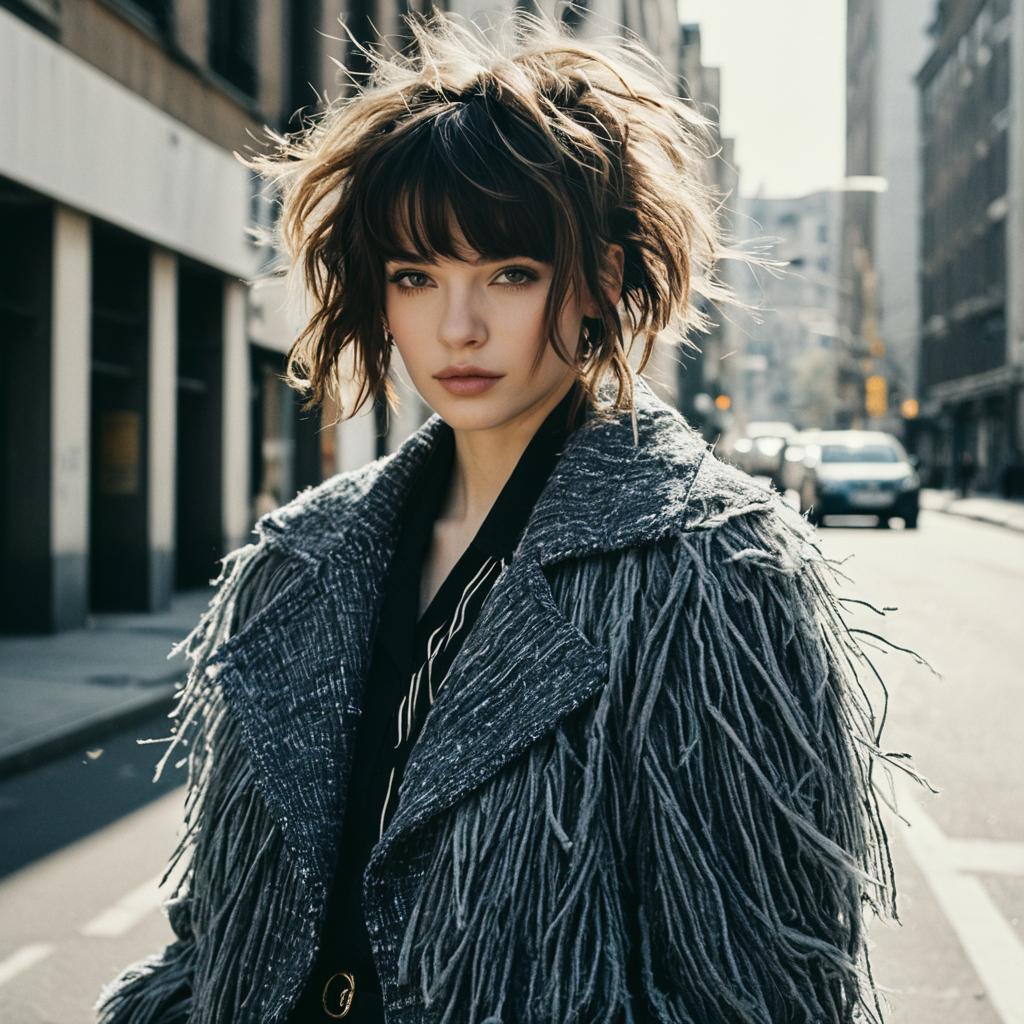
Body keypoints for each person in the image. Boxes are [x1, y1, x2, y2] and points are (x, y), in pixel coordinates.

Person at [95, 9, 923, 1023]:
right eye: (415, 276)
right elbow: (220, 930)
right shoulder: (300, 560)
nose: (457, 326)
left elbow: (760, 989)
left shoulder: (712, 578)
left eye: (509, 274)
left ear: (602, 282)